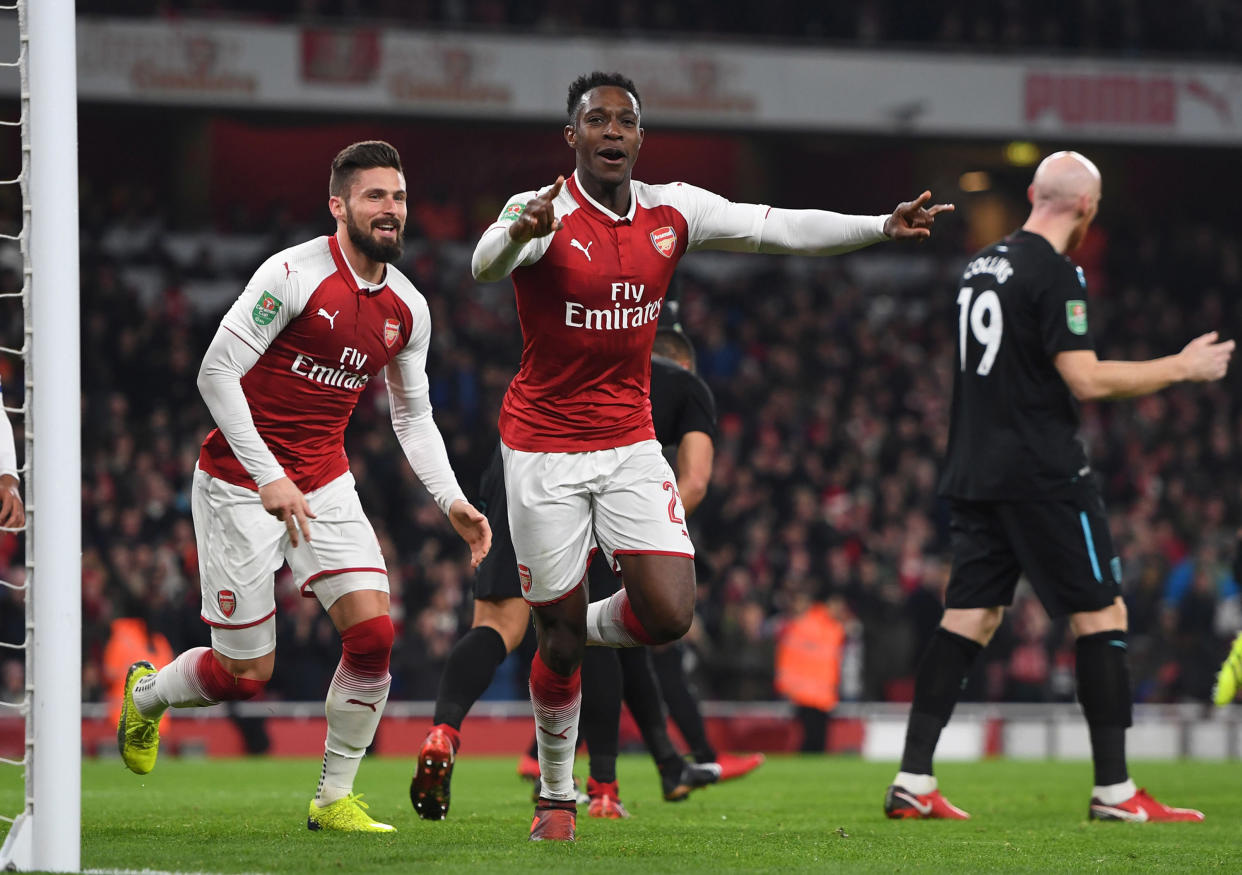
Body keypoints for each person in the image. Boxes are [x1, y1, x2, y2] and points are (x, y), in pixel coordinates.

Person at [472, 70, 952, 842]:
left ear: (639, 136)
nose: (611, 132)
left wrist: (880, 227)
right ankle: (557, 796)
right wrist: (519, 232)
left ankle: (566, 627)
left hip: (629, 439)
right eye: (596, 120)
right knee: (561, 639)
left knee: (669, 613)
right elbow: (484, 263)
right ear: (572, 137)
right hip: (543, 447)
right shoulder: (542, 209)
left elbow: (775, 226)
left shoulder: (674, 209)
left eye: (624, 121)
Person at [116, 140, 491, 833]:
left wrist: (452, 500)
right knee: (244, 671)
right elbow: (214, 374)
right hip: (237, 481)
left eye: (400, 197)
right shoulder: (291, 274)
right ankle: (146, 696)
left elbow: (413, 417)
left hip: (323, 479)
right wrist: (269, 477)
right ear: (338, 205)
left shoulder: (408, 307)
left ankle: (333, 796)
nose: (391, 209)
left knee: (375, 632)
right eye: (375, 195)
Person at [883, 150, 1229, 823]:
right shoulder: (1056, 272)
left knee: (971, 616)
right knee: (1103, 615)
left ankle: (913, 777)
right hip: (1041, 472)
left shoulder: (980, 264)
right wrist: (1183, 367)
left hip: (975, 470)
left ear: (1035, 192)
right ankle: (1115, 791)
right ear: (1087, 209)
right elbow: (1086, 378)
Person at [410, 328, 725, 822]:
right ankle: (602, 783)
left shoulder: (576, 353)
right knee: (585, 635)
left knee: (496, 627)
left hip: (518, 463)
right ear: (681, 360)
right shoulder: (675, 386)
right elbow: (697, 480)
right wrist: (653, 538)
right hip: (592, 482)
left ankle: (443, 732)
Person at [775, 589, 846, 753]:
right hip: (808, 694)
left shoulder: (831, 628)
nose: (840, 610)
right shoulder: (812, 626)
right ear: (827, 605)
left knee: (816, 741)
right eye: (837, 606)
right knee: (813, 741)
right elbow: (789, 658)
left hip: (819, 694)